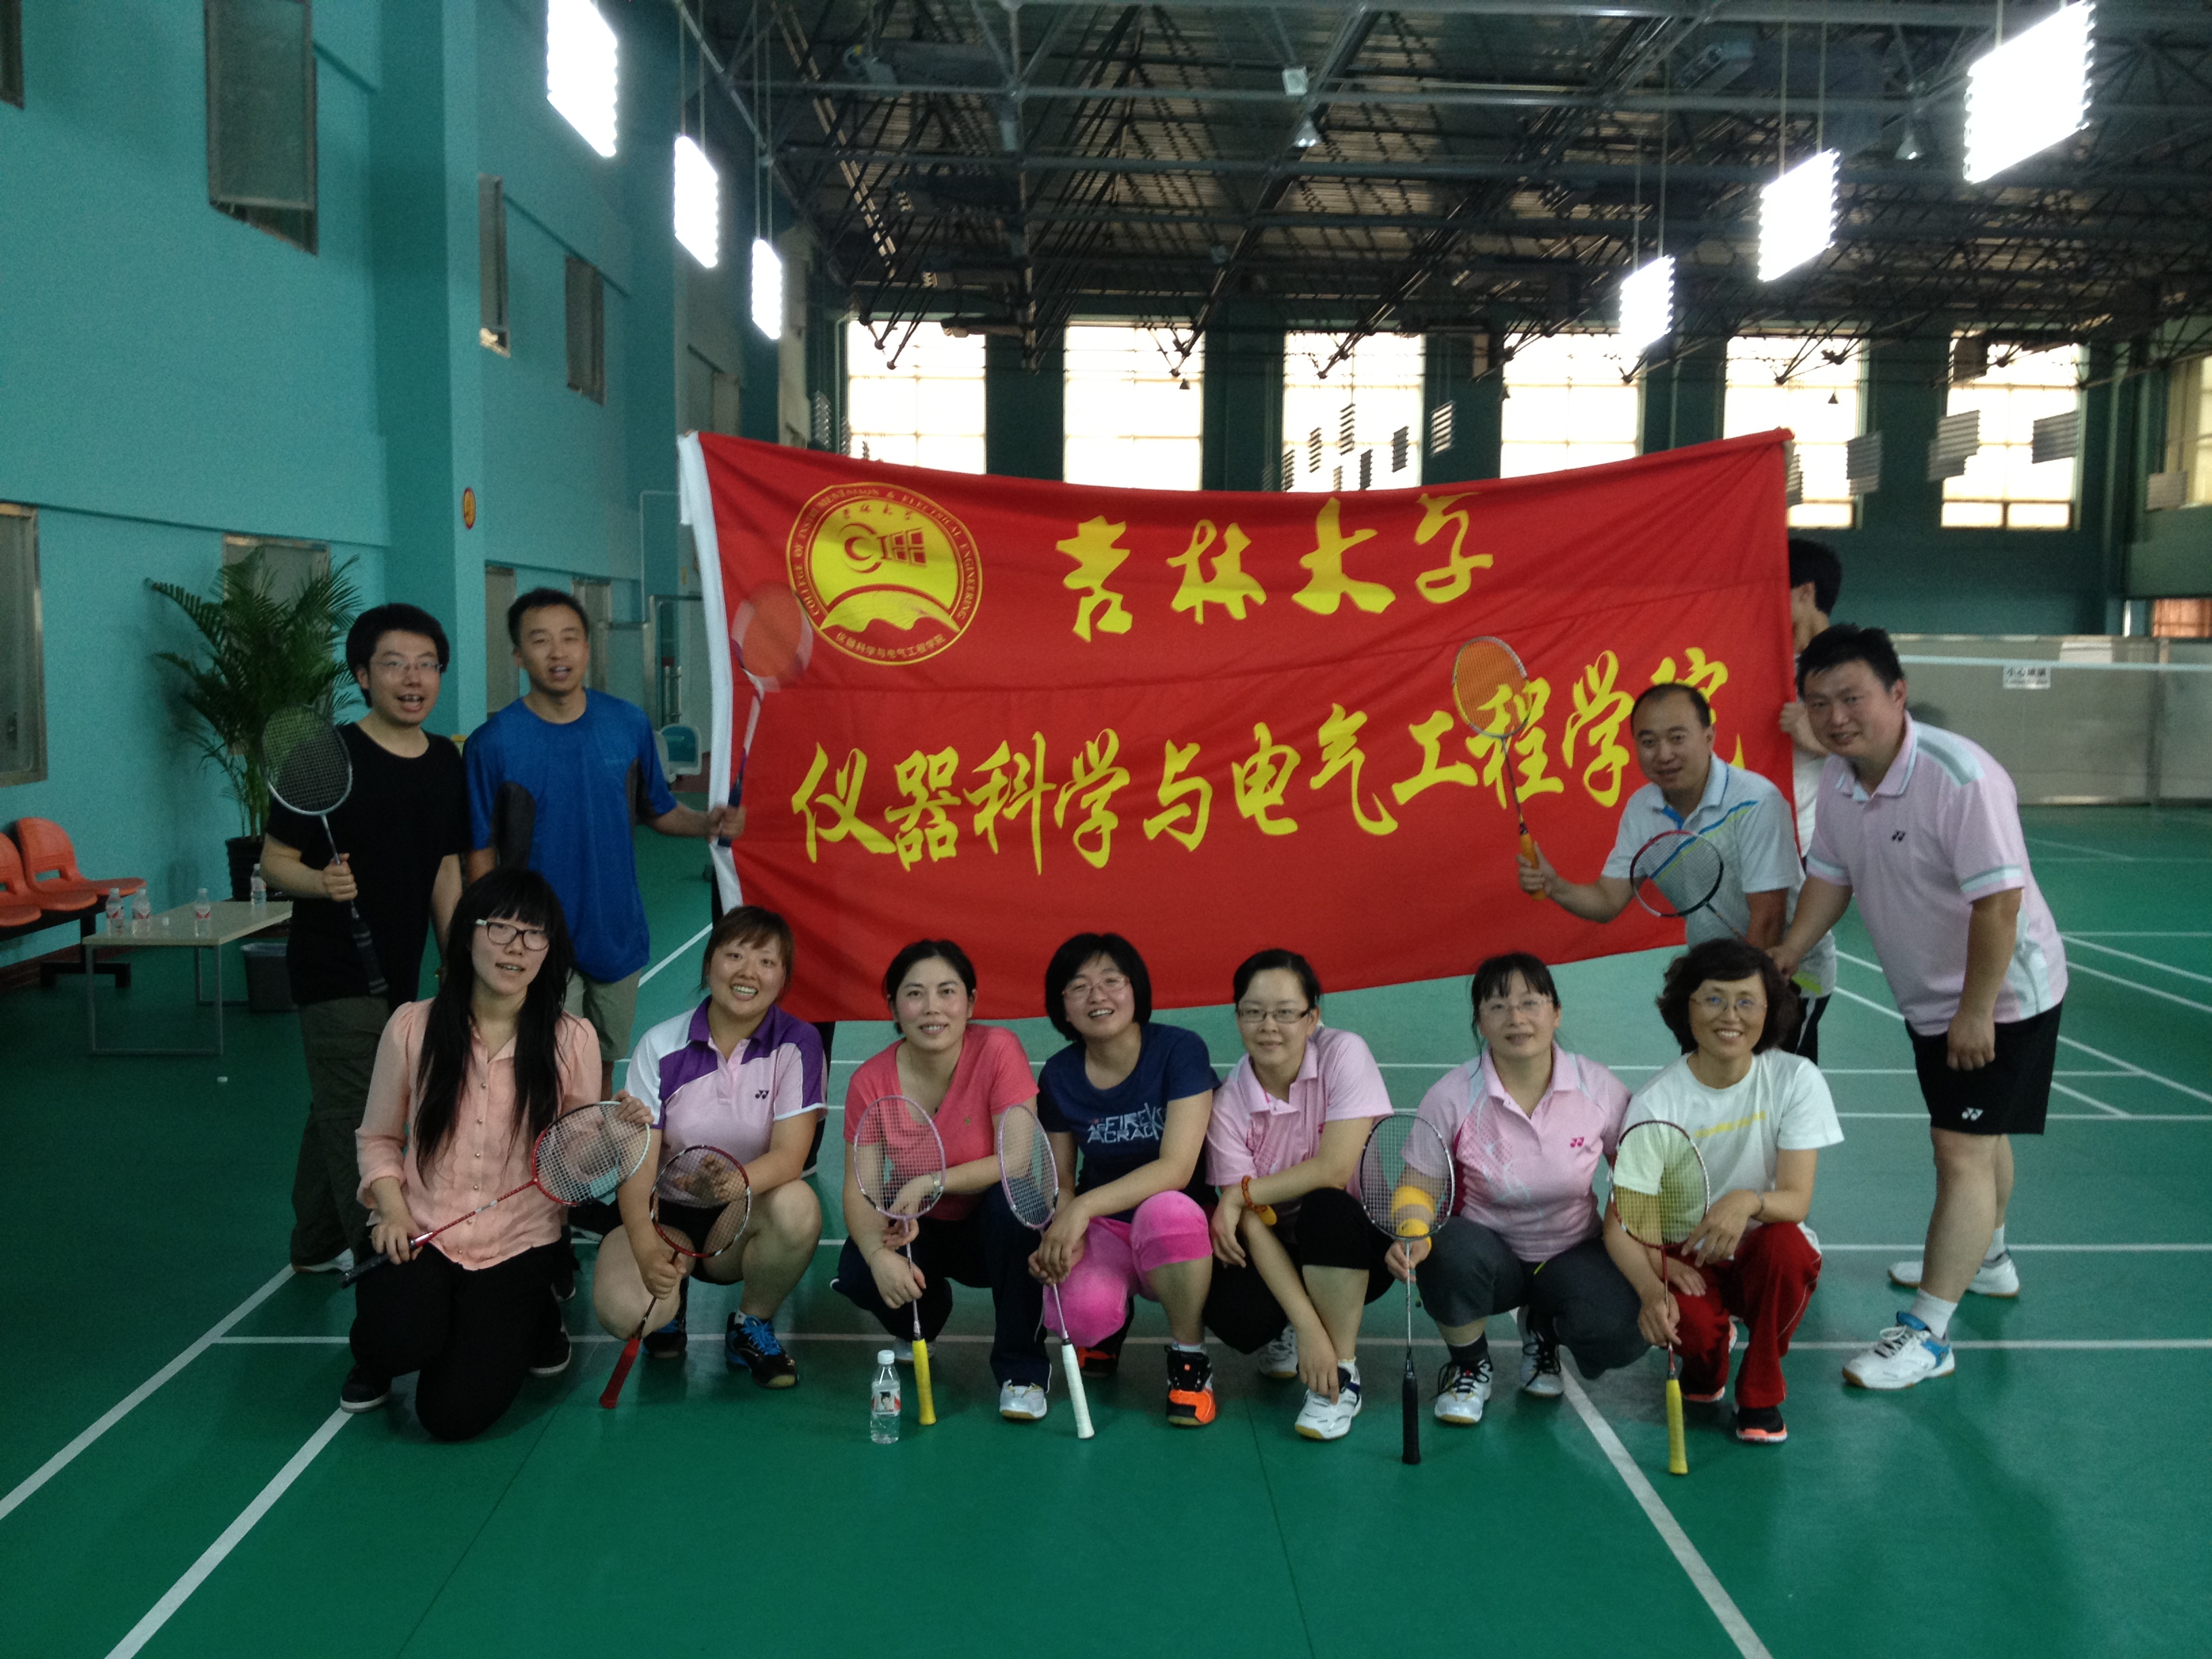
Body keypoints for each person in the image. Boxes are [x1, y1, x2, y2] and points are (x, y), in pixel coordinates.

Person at [1773, 624, 2066, 1391]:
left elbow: (1999, 906)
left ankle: (1929, 1334)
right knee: (1982, 1135)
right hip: (1930, 994)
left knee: (1959, 1149)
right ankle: (1989, 1259)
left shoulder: (1959, 777)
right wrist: (1789, 950)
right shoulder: (1843, 782)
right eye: (1819, 703)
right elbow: (1830, 876)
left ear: (1897, 694)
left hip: (2001, 993)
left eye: (1852, 698)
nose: (1836, 717)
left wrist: (1976, 1011)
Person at [344, 869, 600, 1439]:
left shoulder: (573, 1041)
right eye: (500, 928)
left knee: (452, 1417)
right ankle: (379, 1351)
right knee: (399, 1339)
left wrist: (607, 1136)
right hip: (422, 1233)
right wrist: (392, 1212)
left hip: (518, 1243)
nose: (516, 947)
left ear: (550, 949)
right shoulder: (411, 1027)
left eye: (534, 934)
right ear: (467, 935)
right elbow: (378, 1138)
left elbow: (574, 1166)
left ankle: (535, 1312)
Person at [464, 588, 741, 1097]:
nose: (558, 652)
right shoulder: (494, 742)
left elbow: (657, 810)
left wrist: (707, 823)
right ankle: (544, 1148)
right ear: (519, 655)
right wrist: (486, 933)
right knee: (543, 1066)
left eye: (570, 638)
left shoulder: (627, 724)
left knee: (603, 1062)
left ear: (588, 648)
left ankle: (586, 1142)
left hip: (617, 930)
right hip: (536, 935)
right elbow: (479, 848)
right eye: (540, 641)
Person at [264, 603, 470, 1276]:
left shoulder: (445, 760)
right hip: (333, 969)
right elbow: (274, 861)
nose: (413, 679)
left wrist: (457, 958)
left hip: (399, 968)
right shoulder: (323, 757)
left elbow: (445, 867)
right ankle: (380, 1261)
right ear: (362, 675)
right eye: (394, 664)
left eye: (427, 665)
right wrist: (320, 882)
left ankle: (312, 1241)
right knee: (364, 1113)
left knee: (340, 1105)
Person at [1520, 680, 1836, 1059]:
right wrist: (1555, 885)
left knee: (1776, 1088)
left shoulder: (1755, 801)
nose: (1664, 754)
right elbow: (1607, 901)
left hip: (1787, 976)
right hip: (1714, 977)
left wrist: (1733, 1001)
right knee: (1710, 1083)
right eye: (1649, 742)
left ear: (1709, 737)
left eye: (1677, 738)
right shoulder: (1643, 809)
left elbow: (1766, 918)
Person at [1610, 939, 1841, 1446]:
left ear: (1769, 1009)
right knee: (1690, 1335)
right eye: (1713, 999)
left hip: (1760, 1249)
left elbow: (1796, 1199)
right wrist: (1653, 1284)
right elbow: (1621, 1224)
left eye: (1746, 1001)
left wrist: (1746, 1200)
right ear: (1686, 1007)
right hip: (1687, 1254)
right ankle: (1708, 1355)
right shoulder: (1657, 1103)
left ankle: (1761, 1389)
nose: (1730, 1016)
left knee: (1789, 1248)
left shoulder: (1795, 1079)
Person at [1399, 954, 1643, 1426]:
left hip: (1574, 1252)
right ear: (1480, 1022)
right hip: (1487, 1253)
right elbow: (1418, 1186)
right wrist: (1412, 1230)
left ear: (1556, 1013)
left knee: (1623, 1331)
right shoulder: (1453, 1094)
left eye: (1530, 1002)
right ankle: (1470, 1365)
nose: (1516, 1017)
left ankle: (1543, 1329)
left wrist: (1644, 1250)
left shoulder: (1598, 1088)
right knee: (1444, 1249)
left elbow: (1637, 1176)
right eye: (1498, 1006)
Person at [590, 906, 824, 1388]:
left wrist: (735, 1183)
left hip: (742, 1212)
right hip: (664, 1212)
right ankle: (670, 1304)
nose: (748, 972)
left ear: (783, 978)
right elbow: (638, 1161)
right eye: (735, 955)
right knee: (627, 1313)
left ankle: (751, 1323)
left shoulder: (798, 1043)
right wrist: (645, 1248)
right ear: (709, 963)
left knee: (799, 1207)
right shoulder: (661, 1045)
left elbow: (790, 1156)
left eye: (766, 961)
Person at [831, 941, 1050, 1420]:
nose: (932, 1007)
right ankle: (923, 1316)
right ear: (893, 1007)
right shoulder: (870, 1081)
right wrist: (878, 1257)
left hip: (991, 1225)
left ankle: (1022, 1370)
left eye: (947, 992)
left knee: (1016, 1210)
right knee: (858, 1272)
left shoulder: (998, 1049)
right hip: (917, 1228)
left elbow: (1015, 1160)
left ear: (970, 1002)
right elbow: (860, 1188)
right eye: (915, 994)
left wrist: (931, 1181)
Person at [1201, 950, 1395, 1441]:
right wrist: (1307, 1326)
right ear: (1237, 1017)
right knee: (1238, 1319)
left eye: (1286, 1012)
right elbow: (1250, 1225)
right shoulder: (1228, 1103)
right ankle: (1299, 1325)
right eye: (1254, 1012)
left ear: (1312, 1018)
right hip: (1278, 1245)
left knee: (1325, 1206)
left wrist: (1241, 1194)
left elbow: (1334, 1170)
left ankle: (1342, 1375)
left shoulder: (1344, 1053)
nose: (1269, 1026)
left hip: (1353, 1241)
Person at [1036, 933, 1220, 1427]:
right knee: (1079, 1316)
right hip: (1108, 1226)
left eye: (1111, 981)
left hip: (1178, 1226)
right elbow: (1063, 1179)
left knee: (1167, 1208)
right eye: (1079, 987)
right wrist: (1064, 1230)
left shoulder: (1180, 1050)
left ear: (1135, 988)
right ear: (1063, 1006)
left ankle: (1190, 1358)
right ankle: (1109, 1328)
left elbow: (1176, 1168)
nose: (1097, 996)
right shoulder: (1058, 1076)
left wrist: (1082, 1208)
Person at [1779, 538, 1844, 857]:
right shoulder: (1757, 664)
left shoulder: (1855, 665)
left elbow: (1887, 757)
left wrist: (1818, 742)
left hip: (1817, 840)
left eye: (1776, 590)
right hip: (1759, 835)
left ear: (1805, 592)